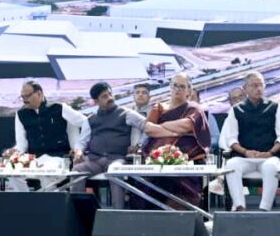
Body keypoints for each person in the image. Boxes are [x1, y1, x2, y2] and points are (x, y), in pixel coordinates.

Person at [71, 82, 177, 208]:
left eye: (110, 94)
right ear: (95, 101)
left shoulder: (127, 113)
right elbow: (81, 141)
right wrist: (78, 151)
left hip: (117, 159)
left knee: (115, 170)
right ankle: (78, 211)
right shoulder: (90, 119)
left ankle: (118, 212)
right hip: (95, 160)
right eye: (104, 96)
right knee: (77, 171)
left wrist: (139, 144)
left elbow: (147, 127)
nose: (110, 98)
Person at [136, 72, 211, 209]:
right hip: (157, 159)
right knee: (145, 185)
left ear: (189, 91)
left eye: (182, 87)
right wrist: (174, 132)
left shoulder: (195, 109)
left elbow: (186, 125)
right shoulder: (159, 108)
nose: (178, 89)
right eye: (175, 85)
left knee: (179, 184)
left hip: (186, 160)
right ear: (170, 88)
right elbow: (149, 129)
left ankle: (183, 217)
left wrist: (162, 126)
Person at [221, 72, 280, 211]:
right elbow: (231, 139)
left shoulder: (275, 107)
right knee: (231, 165)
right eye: (254, 85)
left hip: (269, 156)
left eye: (261, 85)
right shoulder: (236, 109)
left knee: (271, 167)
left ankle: (264, 209)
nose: (258, 89)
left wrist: (270, 153)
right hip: (245, 157)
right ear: (245, 88)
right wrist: (246, 152)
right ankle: (239, 206)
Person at [8, 80, 86, 191]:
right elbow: (21, 145)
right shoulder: (21, 114)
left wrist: (78, 147)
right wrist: (14, 152)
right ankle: (25, 198)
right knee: (11, 170)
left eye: (27, 96)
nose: (24, 100)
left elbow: (85, 122)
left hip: (58, 158)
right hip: (35, 159)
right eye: (22, 97)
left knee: (46, 172)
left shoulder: (58, 108)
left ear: (39, 94)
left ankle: (47, 199)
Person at [129, 83, 153, 153]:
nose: (140, 95)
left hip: (148, 151)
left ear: (149, 97)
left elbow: (149, 131)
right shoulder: (128, 113)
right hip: (128, 152)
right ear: (133, 97)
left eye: (144, 93)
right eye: (137, 92)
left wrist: (139, 145)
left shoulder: (154, 112)